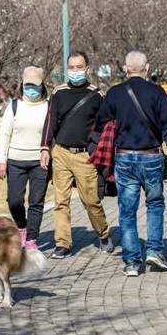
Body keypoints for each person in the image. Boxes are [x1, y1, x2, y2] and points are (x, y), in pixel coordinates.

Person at [96, 51, 167, 277]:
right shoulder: (157, 93)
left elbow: (100, 123)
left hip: (124, 157)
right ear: (147, 68)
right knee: (155, 204)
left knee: (127, 210)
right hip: (151, 156)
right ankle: (154, 250)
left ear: (126, 69)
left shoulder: (115, 93)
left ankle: (132, 262)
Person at [40, 50, 113, 260]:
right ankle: (62, 243)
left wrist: (95, 146)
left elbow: (105, 126)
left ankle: (104, 234)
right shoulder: (58, 92)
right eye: (71, 67)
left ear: (87, 69)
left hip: (84, 157)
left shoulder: (97, 95)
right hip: (61, 153)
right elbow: (50, 122)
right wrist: (45, 148)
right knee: (60, 201)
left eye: (79, 67)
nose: (75, 71)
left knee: (90, 201)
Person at [0, 66, 50, 250]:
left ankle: (31, 239)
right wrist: (1, 161)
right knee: (15, 201)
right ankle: (21, 226)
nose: (31, 88)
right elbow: (4, 134)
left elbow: (53, 135)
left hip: (39, 163)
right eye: (27, 85)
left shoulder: (48, 107)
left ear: (42, 85)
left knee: (36, 201)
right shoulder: (14, 106)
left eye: (35, 85)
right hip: (16, 161)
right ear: (22, 84)